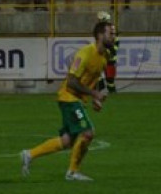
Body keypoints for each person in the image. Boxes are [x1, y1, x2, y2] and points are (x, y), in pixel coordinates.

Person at [20, 20, 114, 182]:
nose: (114, 36)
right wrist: (94, 93)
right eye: (110, 33)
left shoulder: (104, 57)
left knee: (67, 141)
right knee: (88, 133)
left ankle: (29, 154)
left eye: (114, 33)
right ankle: (72, 172)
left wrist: (95, 98)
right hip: (68, 97)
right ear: (100, 35)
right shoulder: (84, 53)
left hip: (76, 99)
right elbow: (71, 81)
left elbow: (92, 80)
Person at [96, 11, 119, 93]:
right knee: (96, 72)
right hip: (103, 57)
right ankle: (101, 86)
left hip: (110, 58)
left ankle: (112, 91)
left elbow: (114, 46)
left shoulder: (111, 30)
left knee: (110, 80)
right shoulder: (101, 29)